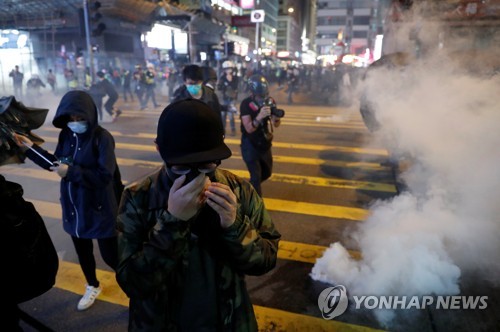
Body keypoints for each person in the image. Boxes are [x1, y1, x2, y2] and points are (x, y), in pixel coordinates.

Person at [115, 99, 281, 331]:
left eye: (206, 166)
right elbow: (132, 282)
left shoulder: (238, 190)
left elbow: (267, 259)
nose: (196, 177)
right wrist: (172, 222)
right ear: (159, 149)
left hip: (229, 321)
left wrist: (235, 225)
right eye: (181, 168)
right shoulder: (139, 197)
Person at [14, 90, 120, 311]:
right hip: (74, 208)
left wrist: (70, 172)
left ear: (90, 115)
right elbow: (55, 163)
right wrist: (29, 147)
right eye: (70, 119)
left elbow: (104, 176)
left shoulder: (102, 138)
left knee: (112, 256)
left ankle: (136, 285)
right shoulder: (66, 136)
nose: (75, 123)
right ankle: (92, 285)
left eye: (80, 118)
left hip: (99, 208)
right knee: (83, 252)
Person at [239, 75, 282, 196]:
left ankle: (247, 190)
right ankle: (256, 206)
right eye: (259, 96)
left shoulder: (270, 101)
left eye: (263, 95)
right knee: (256, 176)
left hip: (264, 143)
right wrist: (259, 117)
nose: (262, 98)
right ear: (252, 92)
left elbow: (276, 124)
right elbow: (249, 128)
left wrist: (276, 117)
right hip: (250, 145)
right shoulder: (246, 104)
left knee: (267, 173)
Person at [218, 60, 239, 136]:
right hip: (224, 99)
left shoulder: (235, 78)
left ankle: (233, 130)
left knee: (231, 115)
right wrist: (224, 84)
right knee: (223, 115)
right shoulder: (222, 78)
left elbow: (235, 87)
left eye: (229, 68)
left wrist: (229, 81)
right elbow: (219, 87)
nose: (228, 70)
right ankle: (223, 130)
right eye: (226, 69)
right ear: (224, 70)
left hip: (232, 99)